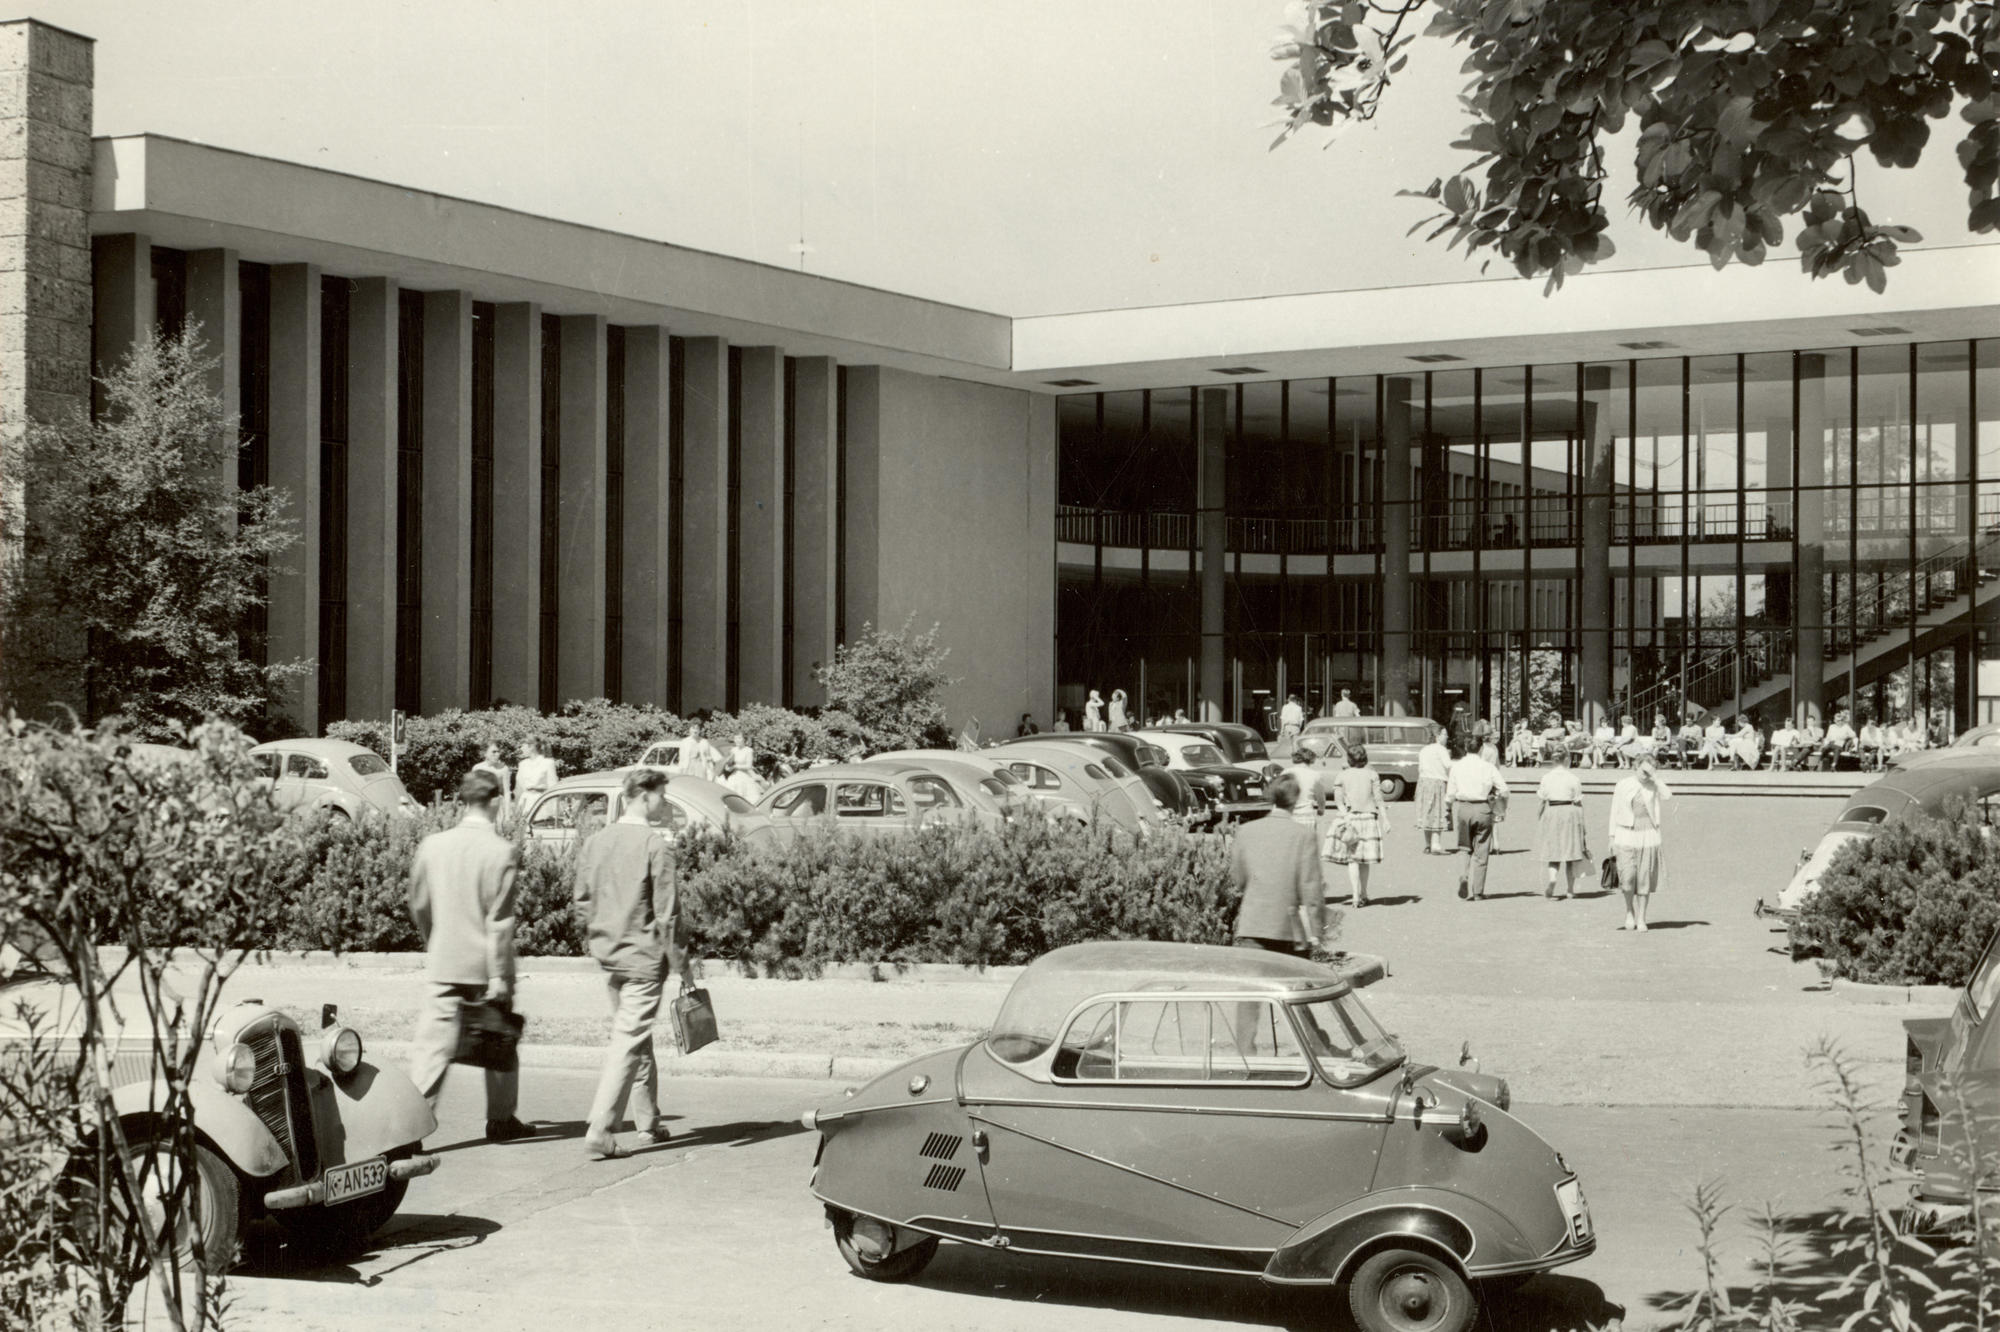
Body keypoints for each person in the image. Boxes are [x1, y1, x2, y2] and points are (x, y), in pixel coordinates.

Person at [404, 771, 532, 1143]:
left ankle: (410, 1130)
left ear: (464, 801)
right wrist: (499, 976)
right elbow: (500, 922)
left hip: (445, 960)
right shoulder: (501, 851)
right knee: (499, 1039)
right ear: (496, 801)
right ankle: (501, 1120)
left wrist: (435, 939)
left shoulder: (433, 845)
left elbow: (419, 903)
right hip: (486, 968)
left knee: (432, 1049)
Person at [573, 768, 682, 1160]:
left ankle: (647, 1121)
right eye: (662, 796)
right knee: (629, 1039)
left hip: (611, 956)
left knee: (635, 1036)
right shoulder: (655, 845)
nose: (664, 803)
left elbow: (582, 900)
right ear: (645, 796)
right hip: (644, 958)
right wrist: (682, 962)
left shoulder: (597, 841)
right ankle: (601, 1129)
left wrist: (598, 939)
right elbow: (667, 913)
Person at [1228, 775, 1326, 956]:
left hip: (1252, 924)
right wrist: (1317, 930)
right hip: (1287, 928)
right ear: (1295, 799)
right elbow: (1310, 887)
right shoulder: (1303, 835)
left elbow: (1238, 879)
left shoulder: (1246, 831)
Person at [1609, 759, 1674, 931]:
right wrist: (1611, 837)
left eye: (1650, 772)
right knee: (1627, 878)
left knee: (1644, 877)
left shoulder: (1653, 785)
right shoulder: (1623, 784)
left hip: (1648, 834)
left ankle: (1641, 917)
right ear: (1636, 767)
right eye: (1644, 771)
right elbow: (1614, 810)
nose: (1646, 775)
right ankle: (1629, 910)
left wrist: (1655, 778)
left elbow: (1668, 796)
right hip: (1625, 834)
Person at [1446, 739, 1509, 901]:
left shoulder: (1457, 766)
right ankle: (1478, 891)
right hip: (1483, 808)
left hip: (1464, 807)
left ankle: (1464, 875)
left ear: (1466, 748)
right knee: (1482, 849)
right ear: (1481, 749)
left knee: (1464, 847)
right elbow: (1504, 790)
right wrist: (1501, 806)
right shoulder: (1488, 767)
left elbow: (1450, 793)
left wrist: (1448, 808)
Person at [1328, 744, 1388, 907]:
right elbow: (1378, 799)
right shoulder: (1372, 774)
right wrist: (1385, 819)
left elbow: (1338, 801)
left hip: (1351, 819)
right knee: (1365, 860)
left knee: (1353, 860)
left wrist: (1345, 815)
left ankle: (1355, 896)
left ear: (1349, 759)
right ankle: (1364, 893)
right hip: (1369, 818)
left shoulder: (1342, 775)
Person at [1535, 751, 1589, 899]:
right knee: (1571, 852)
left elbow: (1542, 800)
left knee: (1553, 851)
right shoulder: (1573, 778)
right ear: (1566, 759)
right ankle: (1570, 889)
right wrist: (1582, 823)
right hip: (1569, 812)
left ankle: (1553, 878)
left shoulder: (1546, 777)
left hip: (1552, 811)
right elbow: (1578, 801)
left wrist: (1540, 817)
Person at [1414, 724, 1452, 856]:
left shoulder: (1423, 750)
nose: (1447, 737)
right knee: (1438, 812)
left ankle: (1427, 844)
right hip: (1437, 782)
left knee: (1427, 812)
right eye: (1444, 734)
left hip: (1423, 783)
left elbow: (1420, 768)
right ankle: (1436, 844)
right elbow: (1448, 765)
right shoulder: (1441, 749)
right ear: (1437, 736)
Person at [471, 742, 513, 828]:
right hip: (480, 806)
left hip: (496, 807)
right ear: (485, 753)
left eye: (498, 752)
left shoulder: (503, 769)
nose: (497, 754)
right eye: (493, 752)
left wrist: (507, 815)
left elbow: (507, 793)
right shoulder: (477, 768)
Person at [516, 736, 559, 811]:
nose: (521, 749)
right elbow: (519, 787)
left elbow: (553, 787)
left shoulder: (548, 763)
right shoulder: (522, 764)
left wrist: (553, 808)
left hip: (542, 802)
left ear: (531, 747)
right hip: (525, 803)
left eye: (523, 746)